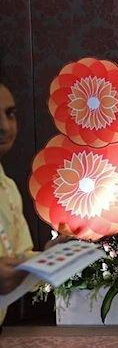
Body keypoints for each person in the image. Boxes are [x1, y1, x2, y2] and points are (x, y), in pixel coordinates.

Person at [0, 80, 66, 329]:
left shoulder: (7, 188)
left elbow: (16, 257)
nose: (4, 127)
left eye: (10, 114)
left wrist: (49, 259)